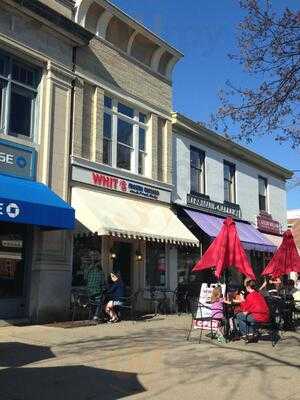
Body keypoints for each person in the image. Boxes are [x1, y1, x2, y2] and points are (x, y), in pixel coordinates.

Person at [84, 250, 106, 321]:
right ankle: (96, 315)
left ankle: (92, 315)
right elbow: (102, 282)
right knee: (99, 302)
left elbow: (85, 278)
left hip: (89, 291)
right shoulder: (100, 272)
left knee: (92, 302)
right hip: (97, 290)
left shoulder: (88, 270)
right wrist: (104, 288)